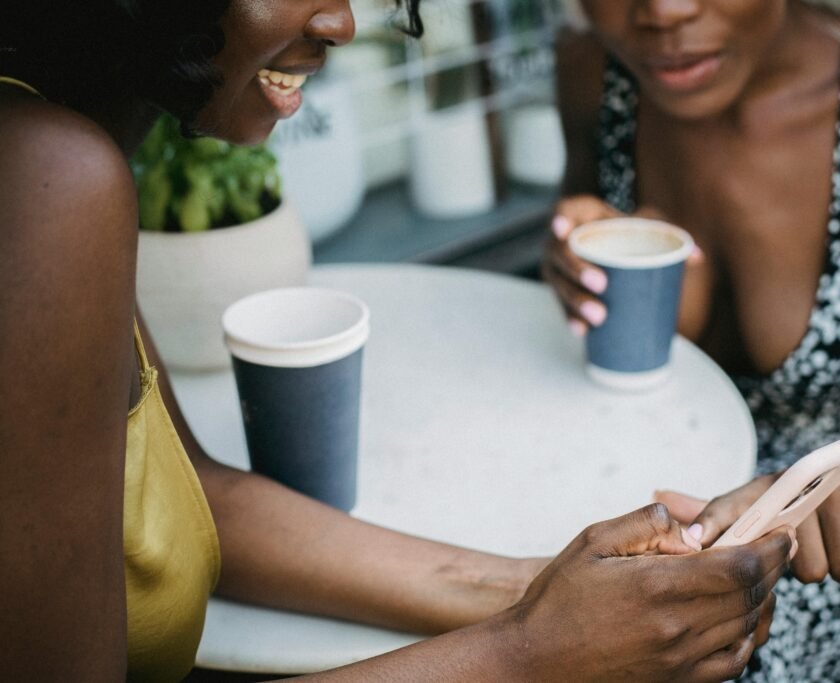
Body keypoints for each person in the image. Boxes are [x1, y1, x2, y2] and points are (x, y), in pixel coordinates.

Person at [0, 0, 798, 681]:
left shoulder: (49, 153)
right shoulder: (46, 181)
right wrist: (527, 654)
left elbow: (193, 497)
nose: (342, 21)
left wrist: (541, 587)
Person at [544, 0, 840, 680]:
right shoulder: (596, 71)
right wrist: (569, 257)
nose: (663, 12)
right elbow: (587, 249)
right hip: (641, 519)